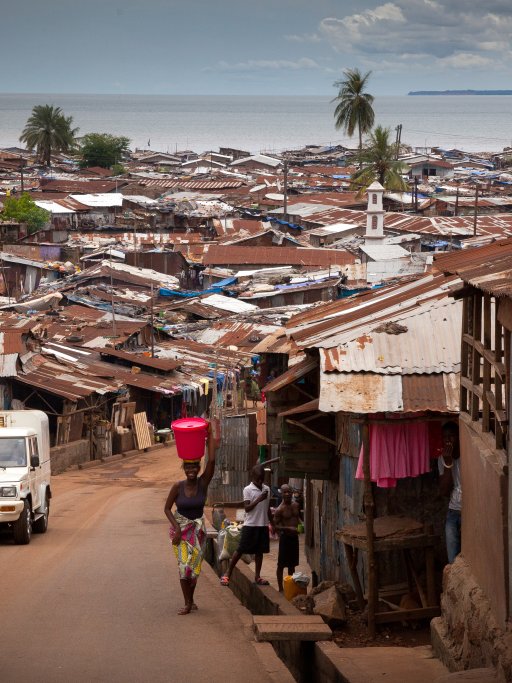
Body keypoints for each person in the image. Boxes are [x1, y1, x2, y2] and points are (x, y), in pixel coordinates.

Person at [164, 420, 220, 615]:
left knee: (195, 568)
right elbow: (167, 509)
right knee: (183, 566)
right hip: (180, 530)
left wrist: (210, 432)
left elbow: (212, 461)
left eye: (194, 467)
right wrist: (177, 529)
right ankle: (187, 603)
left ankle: (191, 599)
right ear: (183, 469)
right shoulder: (177, 487)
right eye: (188, 468)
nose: (191, 471)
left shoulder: (203, 483)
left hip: (198, 530)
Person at [220, 464, 274, 586]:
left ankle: (257, 576)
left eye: (262, 478)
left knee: (259, 552)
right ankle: (227, 573)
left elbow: (267, 509)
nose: (260, 481)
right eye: (258, 478)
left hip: (263, 525)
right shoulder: (247, 489)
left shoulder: (267, 489)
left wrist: (273, 523)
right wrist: (259, 499)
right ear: (253, 476)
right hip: (250, 525)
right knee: (241, 549)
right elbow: (247, 508)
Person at [438, 421, 461, 564]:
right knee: (452, 560)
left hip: (469, 512)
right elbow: (444, 491)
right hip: (453, 512)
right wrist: (448, 464)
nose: (448, 441)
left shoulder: (468, 454)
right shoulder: (443, 459)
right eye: (445, 437)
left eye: (451, 436)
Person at [273, 484, 302, 591]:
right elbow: (275, 527)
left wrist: (301, 524)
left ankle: (291, 587)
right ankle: (280, 588)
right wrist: (288, 528)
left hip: (295, 538)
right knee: (281, 565)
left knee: (292, 564)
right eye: (285, 492)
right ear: (281, 493)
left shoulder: (296, 505)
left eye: (289, 491)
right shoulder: (279, 510)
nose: (287, 494)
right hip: (285, 539)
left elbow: (298, 517)